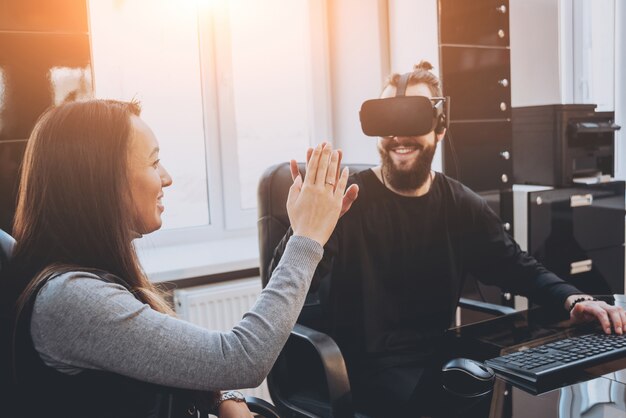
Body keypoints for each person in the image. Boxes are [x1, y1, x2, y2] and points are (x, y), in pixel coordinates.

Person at [268, 61, 626, 417]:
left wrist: (573, 298)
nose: (398, 136)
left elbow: (517, 266)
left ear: (439, 129)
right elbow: (279, 288)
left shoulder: (461, 204)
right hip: (361, 369)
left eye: (412, 120)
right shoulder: (344, 200)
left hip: (438, 360)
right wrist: (306, 228)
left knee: (514, 397)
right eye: (388, 123)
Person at [0, 99, 355, 418]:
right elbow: (240, 358)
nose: (167, 178)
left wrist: (220, 399)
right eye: (154, 162)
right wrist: (307, 238)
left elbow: (171, 365)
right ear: (103, 182)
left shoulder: (85, 281)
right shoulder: (70, 299)